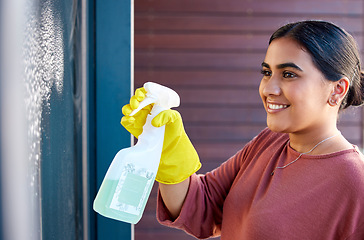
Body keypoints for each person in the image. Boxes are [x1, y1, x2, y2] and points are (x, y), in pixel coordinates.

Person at [121, 20, 364, 239]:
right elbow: (201, 207)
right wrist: (167, 148)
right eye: (267, 73)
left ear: (337, 89)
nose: (270, 88)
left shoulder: (354, 181)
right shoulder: (270, 142)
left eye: (289, 74)